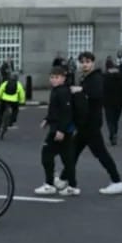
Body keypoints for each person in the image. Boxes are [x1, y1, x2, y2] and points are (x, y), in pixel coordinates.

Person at [71, 52, 122, 195]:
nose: (84, 64)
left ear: (93, 63)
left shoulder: (96, 78)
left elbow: (96, 94)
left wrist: (80, 91)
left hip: (91, 124)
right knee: (73, 152)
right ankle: (65, 179)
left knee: (101, 154)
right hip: (85, 124)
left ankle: (117, 181)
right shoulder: (86, 78)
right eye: (82, 62)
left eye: (87, 61)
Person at [34, 66, 84, 197]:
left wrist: (60, 130)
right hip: (62, 129)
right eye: (52, 77)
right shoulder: (57, 90)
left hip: (60, 130)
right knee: (67, 158)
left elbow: (66, 112)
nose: (53, 80)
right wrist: (47, 119)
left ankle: (50, 184)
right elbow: (55, 110)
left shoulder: (62, 92)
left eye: (56, 77)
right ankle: (72, 186)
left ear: (63, 78)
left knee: (46, 155)